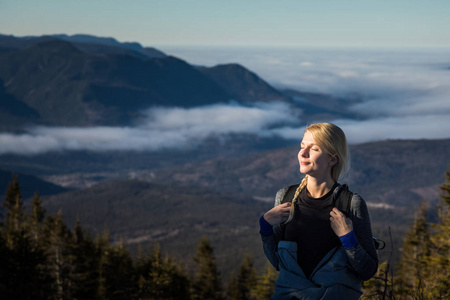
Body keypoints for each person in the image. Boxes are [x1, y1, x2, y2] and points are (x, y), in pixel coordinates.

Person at [259, 122, 378, 299]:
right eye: (302, 146)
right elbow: (279, 262)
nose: (303, 153)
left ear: (333, 159)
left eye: (313, 149)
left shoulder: (350, 203)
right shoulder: (285, 197)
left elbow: (368, 270)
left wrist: (348, 238)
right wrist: (265, 228)